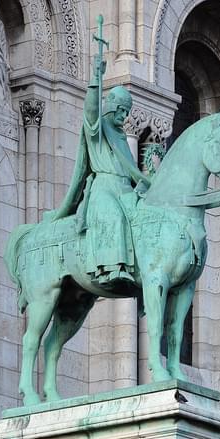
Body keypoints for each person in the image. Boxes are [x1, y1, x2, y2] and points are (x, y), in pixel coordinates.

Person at [47, 64, 151, 286]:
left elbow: (132, 170)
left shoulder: (122, 137)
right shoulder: (97, 130)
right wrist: (96, 78)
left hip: (125, 190)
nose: (124, 116)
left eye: (127, 112)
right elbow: (91, 113)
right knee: (114, 216)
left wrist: (144, 184)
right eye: (121, 110)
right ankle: (112, 268)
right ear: (111, 107)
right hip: (103, 188)